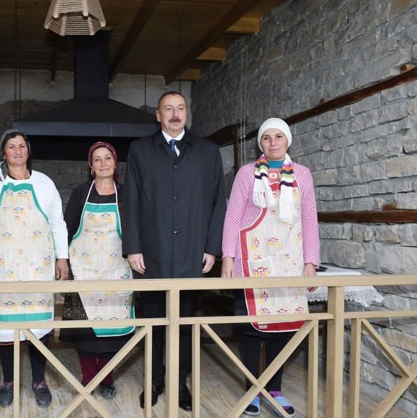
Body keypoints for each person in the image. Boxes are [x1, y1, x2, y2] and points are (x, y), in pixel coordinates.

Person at [122, 91, 226, 411]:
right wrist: (133, 247)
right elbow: (131, 201)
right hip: (151, 253)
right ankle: (153, 381)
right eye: (168, 109)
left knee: (184, 322)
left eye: (180, 108)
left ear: (187, 113)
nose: (175, 114)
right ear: (158, 115)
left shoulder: (208, 152)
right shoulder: (140, 150)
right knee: (153, 321)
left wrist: (212, 248)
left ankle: (179, 383)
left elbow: (218, 202)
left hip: (192, 253)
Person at [221, 117, 319, 416]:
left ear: (288, 140)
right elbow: (233, 217)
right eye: (266, 137)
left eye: (278, 136)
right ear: (260, 143)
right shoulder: (247, 173)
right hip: (253, 260)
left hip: (290, 261)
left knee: (284, 326)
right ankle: (252, 389)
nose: (273, 142)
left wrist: (311, 262)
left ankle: (274, 389)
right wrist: (228, 257)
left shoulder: (302, 174)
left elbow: (309, 219)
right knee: (250, 327)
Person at [0, 129, 69, 409]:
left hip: (37, 267)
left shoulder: (44, 183)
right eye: (11, 146)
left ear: (29, 151)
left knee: (39, 328)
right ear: (2, 153)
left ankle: (39, 381)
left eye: (22, 146)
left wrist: (62, 258)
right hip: (3, 268)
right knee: (5, 329)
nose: (17, 151)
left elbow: (57, 223)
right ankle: (8, 381)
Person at [59, 141, 134, 400]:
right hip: (84, 271)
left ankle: (107, 377)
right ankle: (89, 376)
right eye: (97, 160)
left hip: (116, 270)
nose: (103, 164)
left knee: (112, 330)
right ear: (91, 166)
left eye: (107, 158)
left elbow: (136, 230)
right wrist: (63, 262)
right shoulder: (81, 193)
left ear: (115, 164)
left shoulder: (126, 194)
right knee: (85, 332)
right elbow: (67, 228)